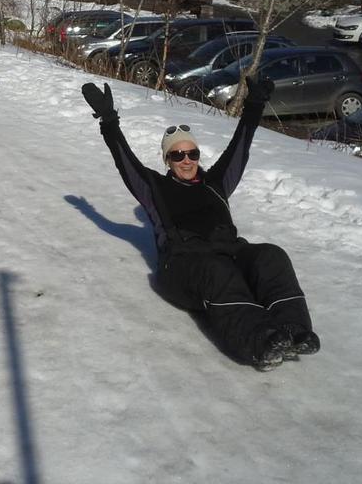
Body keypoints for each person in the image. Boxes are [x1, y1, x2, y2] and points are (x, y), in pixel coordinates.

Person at [81, 78, 319, 372]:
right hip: (181, 267)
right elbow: (125, 162)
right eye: (177, 155)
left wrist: (255, 103)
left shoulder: (216, 184)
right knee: (218, 272)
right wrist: (109, 120)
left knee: (271, 255)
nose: (186, 160)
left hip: (229, 254)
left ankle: (293, 328)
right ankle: (259, 340)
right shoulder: (154, 188)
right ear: (167, 159)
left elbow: (240, 146)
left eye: (192, 153)